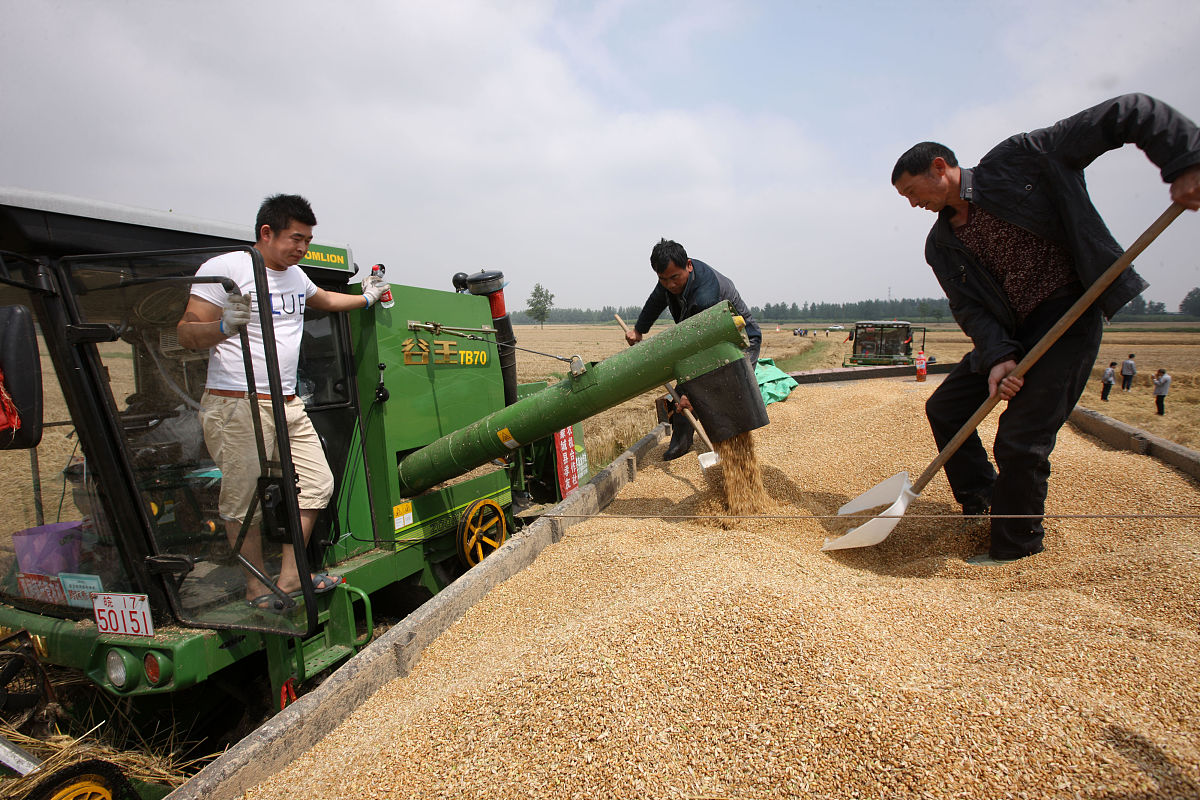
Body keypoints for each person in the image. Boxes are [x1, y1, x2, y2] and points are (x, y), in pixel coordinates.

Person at [891, 93, 1200, 566]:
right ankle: (984, 499)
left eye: (914, 192)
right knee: (946, 408)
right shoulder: (942, 245)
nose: (914, 204)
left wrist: (1186, 161)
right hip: (1013, 332)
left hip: (1067, 315)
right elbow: (972, 310)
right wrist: (998, 357)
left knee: (1020, 437)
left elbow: (1129, 111)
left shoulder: (1023, 159)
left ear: (940, 167)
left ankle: (1016, 547)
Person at [177, 194, 387, 610]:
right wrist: (222, 326)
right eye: (296, 239)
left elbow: (324, 301)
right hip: (238, 403)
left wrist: (368, 298)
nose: (302, 248)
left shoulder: (295, 277)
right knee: (243, 501)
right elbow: (186, 332)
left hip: (287, 402)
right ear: (266, 233)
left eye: (307, 240)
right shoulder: (225, 270)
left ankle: (290, 577)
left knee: (317, 482)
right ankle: (256, 588)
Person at [626, 239, 761, 459]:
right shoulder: (669, 279)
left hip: (740, 340)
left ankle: (734, 450)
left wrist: (693, 392)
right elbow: (655, 302)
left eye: (674, 278)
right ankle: (681, 443)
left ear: (688, 265)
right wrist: (639, 330)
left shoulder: (705, 297)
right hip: (704, 337)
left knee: (727, 388)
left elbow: (705, 353)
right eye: (663, 279)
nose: (669, 284)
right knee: (685, 392)